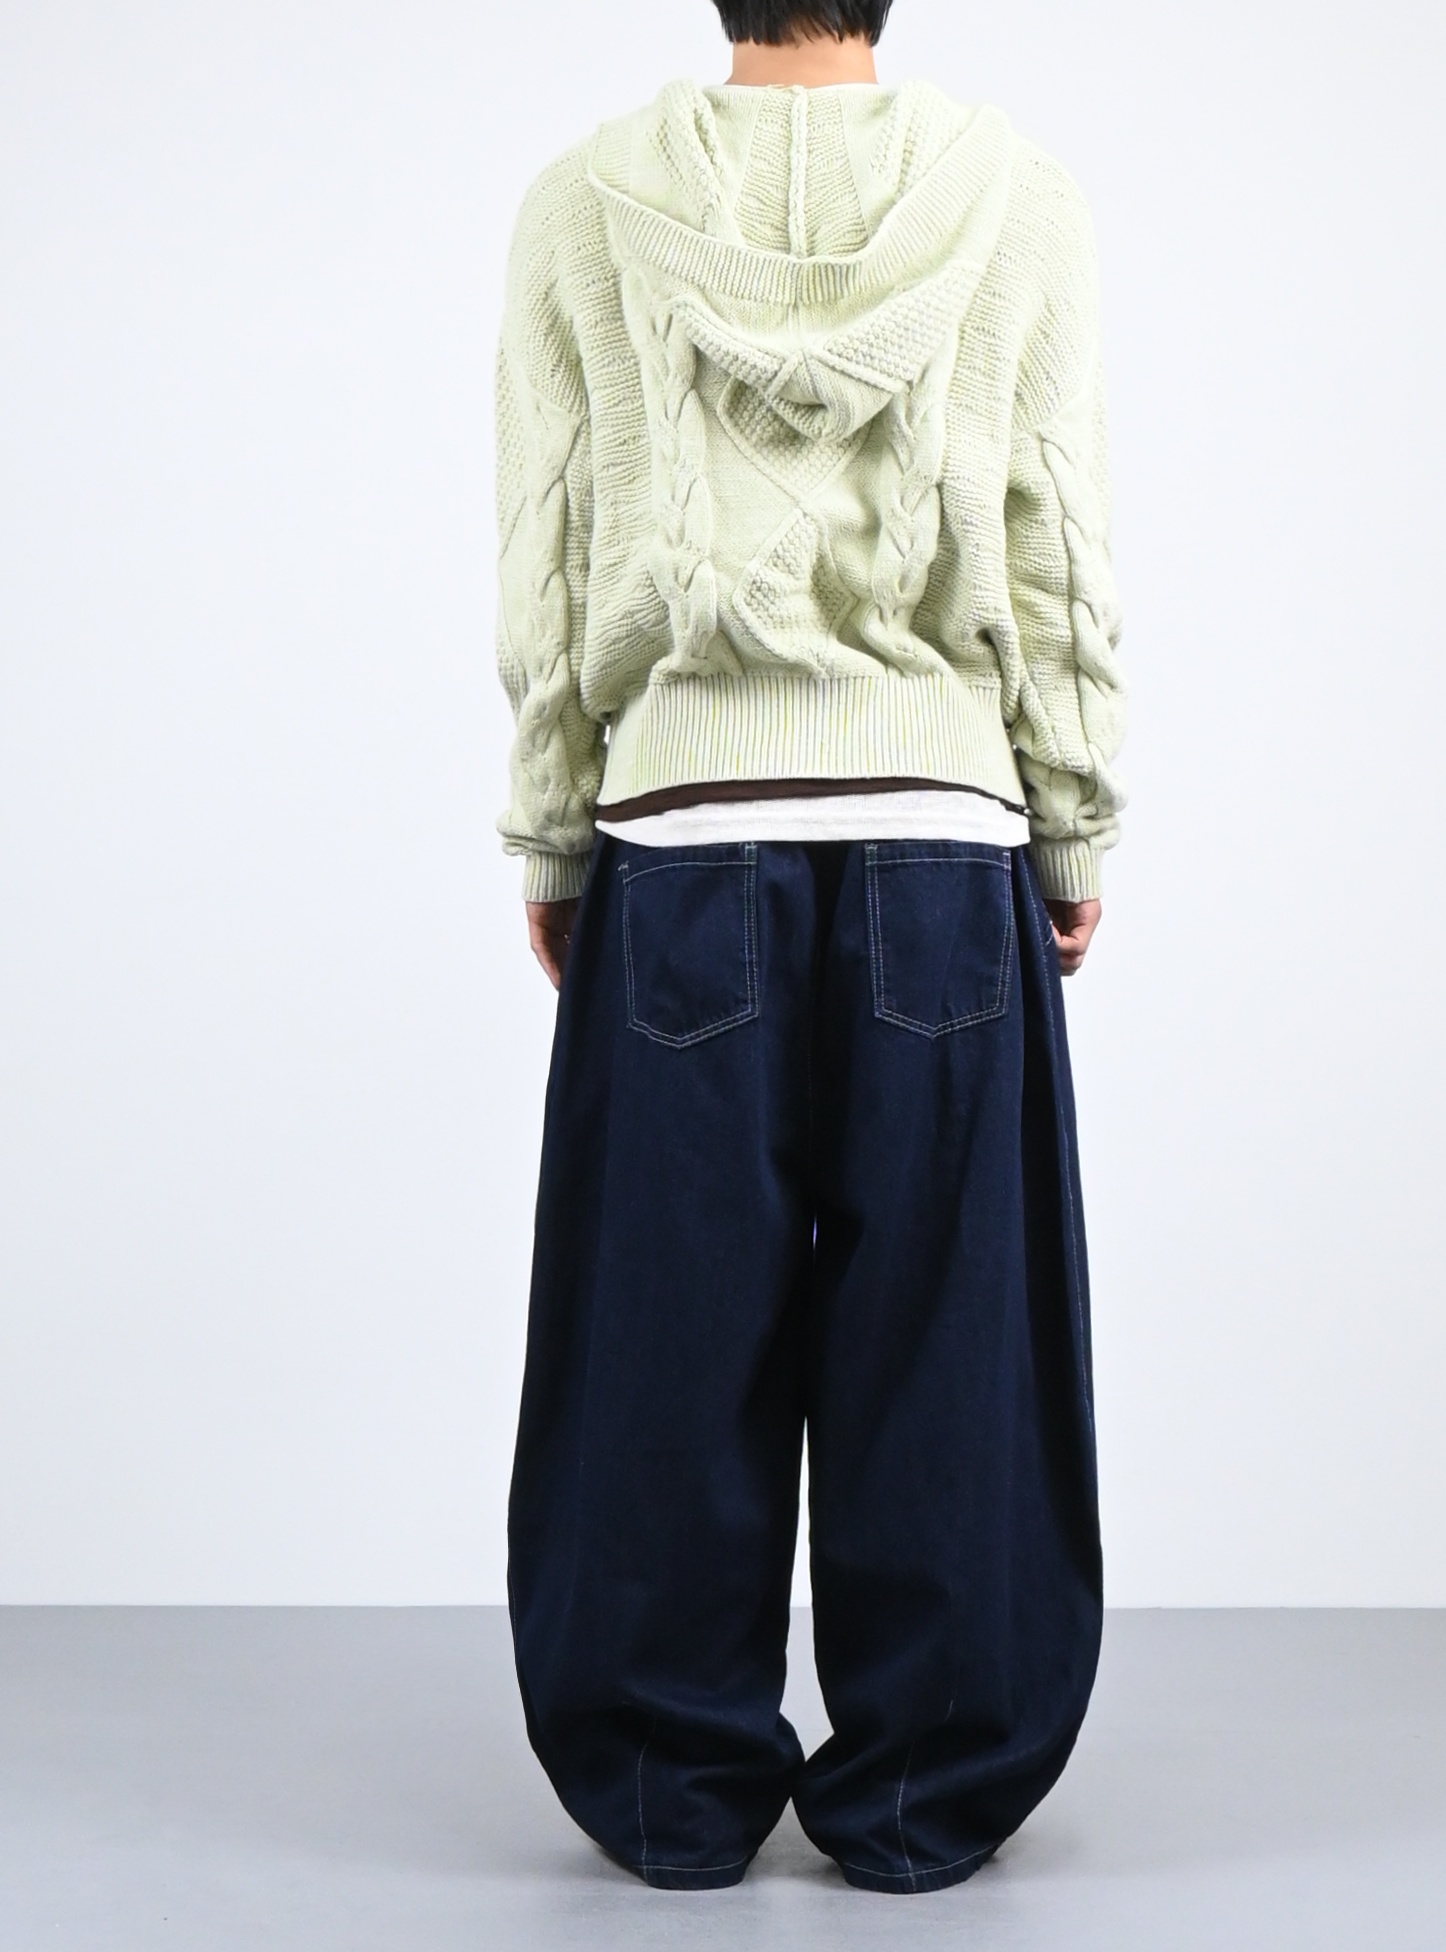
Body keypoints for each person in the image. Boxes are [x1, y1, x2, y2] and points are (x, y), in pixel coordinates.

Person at [493, 0, 1126, 1895]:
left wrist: (553, 825)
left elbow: (551, 540)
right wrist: (1071, 812)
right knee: (949, 1329)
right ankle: (931, 1784)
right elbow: (1049, 535)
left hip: (684, 834)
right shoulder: (1017, 199)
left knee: (660, 1332)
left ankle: (665, 1786)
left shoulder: (581, 205)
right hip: (942, 838)